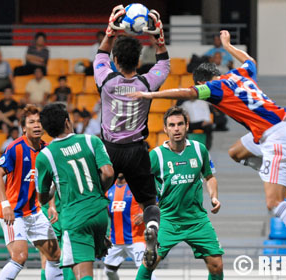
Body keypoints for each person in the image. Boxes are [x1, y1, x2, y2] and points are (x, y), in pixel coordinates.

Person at [129, 30, 286, 277]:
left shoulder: (214, 87)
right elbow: (251, 61)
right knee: (236, 151)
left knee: (274, 203)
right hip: (271, 129)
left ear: (204, 82)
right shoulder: (239, 74)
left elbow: (187, 93)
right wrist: (227, 44)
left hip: (275, 136)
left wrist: (150, 94)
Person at [94, 5, 170, 267]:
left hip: (108, 150)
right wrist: (158, 37)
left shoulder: (104, 79)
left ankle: (99, 236)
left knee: (94, 196)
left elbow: (101, 54)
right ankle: (151, 229)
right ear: (138, 61)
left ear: (116, 60)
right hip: (137, 150)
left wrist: (111, 30)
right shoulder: (148, 83)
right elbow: (164, 64)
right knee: (149, 201)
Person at [136, 107, 223, 279]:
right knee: (149, 264)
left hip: (197, 219)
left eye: (180, 124)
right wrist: (148, 210)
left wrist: (214, 197)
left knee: (216, 265)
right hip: (168, 219)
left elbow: (210, 177)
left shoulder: (199, 150)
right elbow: (140, 183)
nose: (176, 128)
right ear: (165, 129)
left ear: (187, 126)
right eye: (172, 125)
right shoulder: (156, 155)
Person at [35, 103, 115, 280]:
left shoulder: (45, 155)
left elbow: (42, 195)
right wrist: (97, 190)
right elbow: (109, 173)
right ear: (67, 122)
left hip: (75, 217)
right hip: (100, 213)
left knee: (80, 272)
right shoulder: (90, 140)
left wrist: (49, 196)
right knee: (74, 261)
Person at [0, 104, 63, 280]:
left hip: (35, 212)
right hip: (13, 213)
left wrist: (52, 205)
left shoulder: (47, 150)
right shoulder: (15, 148)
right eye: (31, 122)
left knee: (56, 257)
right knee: (20, 257)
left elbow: (50, 181)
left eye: (39, 122)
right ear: (24, 127)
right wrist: (5, 204)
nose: (37, 125)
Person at [104, 174, 156, 280]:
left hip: (136, 240)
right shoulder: (108, 189)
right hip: (115, 241)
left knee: (145, 269)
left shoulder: (135, 187)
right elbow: (106, 213)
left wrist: (144, 215)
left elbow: (154, 205)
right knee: (109, 270)